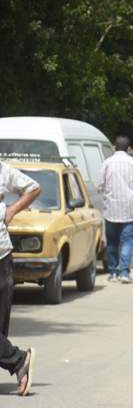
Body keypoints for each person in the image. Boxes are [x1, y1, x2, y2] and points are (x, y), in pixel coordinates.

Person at [0, 162, 40, 396]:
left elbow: (32, 188)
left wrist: (12, 210)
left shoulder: (2, 170)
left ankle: (19, 361)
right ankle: (18, 361)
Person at [98, 136, 133, 284]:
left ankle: (113, 272)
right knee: (127, 241)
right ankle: (125, 273)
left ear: (114, 148)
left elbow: (99, 185)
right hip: (129, 209)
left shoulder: (107, 163)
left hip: (111, 209)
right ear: (129, 148)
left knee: (112, 242)